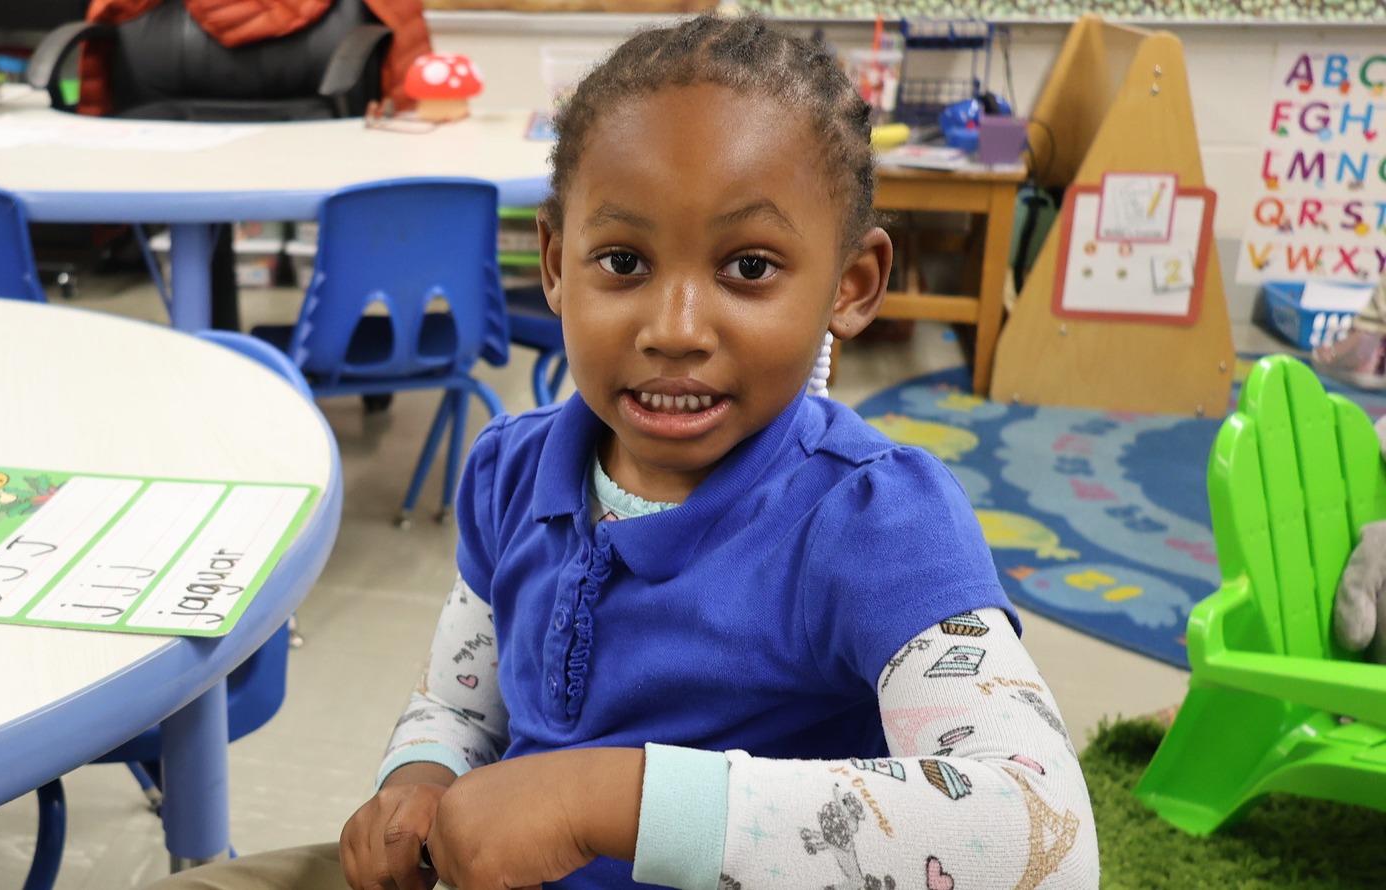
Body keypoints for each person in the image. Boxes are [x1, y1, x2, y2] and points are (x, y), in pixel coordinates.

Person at [157, 13, 1098, 890]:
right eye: (624, 263)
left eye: (749, 268)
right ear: (558, 265)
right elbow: (459, 700)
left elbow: (1044, 834)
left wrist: (600, 800)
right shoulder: (508, 474)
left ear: (851, 287)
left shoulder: (877, 523)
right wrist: (421, 778)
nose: (675, 329)